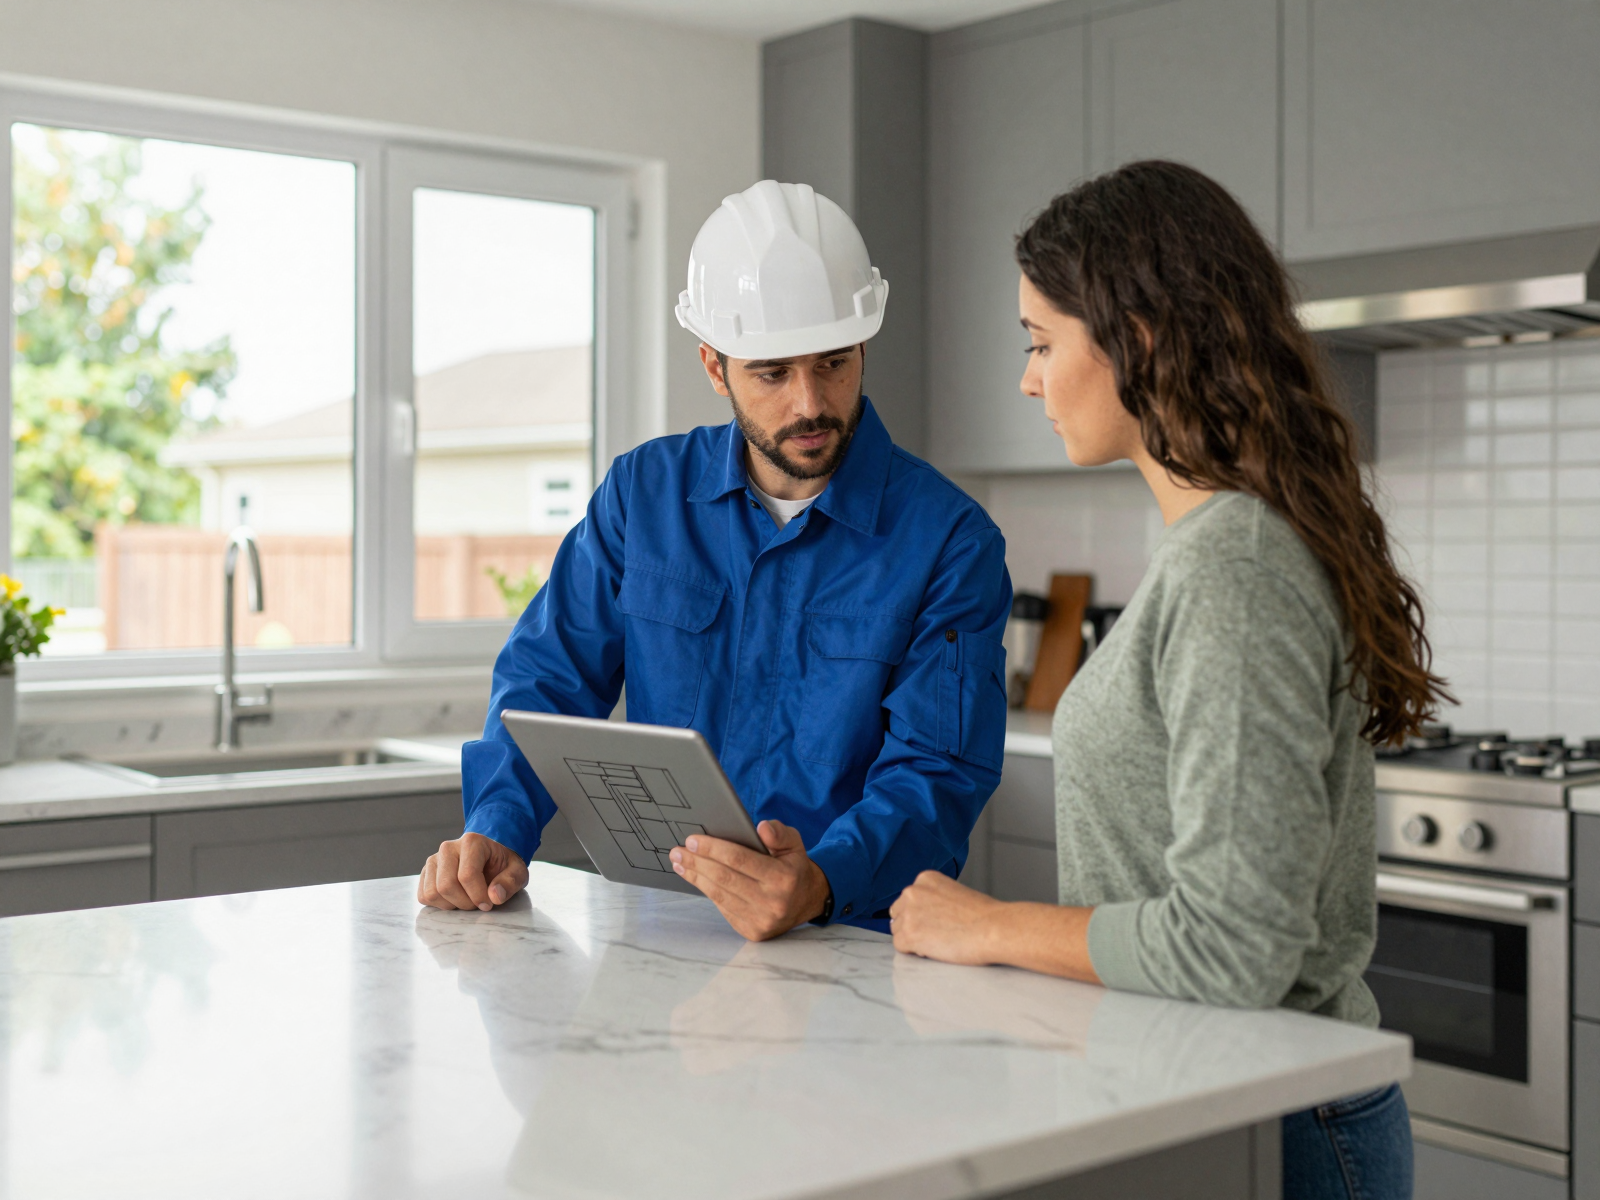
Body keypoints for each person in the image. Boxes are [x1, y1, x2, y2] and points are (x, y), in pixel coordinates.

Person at [888, 161, 1446, 1200]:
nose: (1027, 377)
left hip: (1278, 1123)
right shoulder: (1216, 550)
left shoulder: (1234, 564)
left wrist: (988, 926)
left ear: (1136, 338)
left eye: (1041, 343)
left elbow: (1232, 947)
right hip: (1219, 1098)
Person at [418, 180, 1011, 940]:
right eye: (771, 372)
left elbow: (938, 773)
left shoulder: (950, 542)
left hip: (849, 949)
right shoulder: (642, 496)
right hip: (656, 937)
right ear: (713, 365)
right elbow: (550, 680)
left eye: (834, 362)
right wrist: (498, 825)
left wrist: (821, 882)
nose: (810, 403)